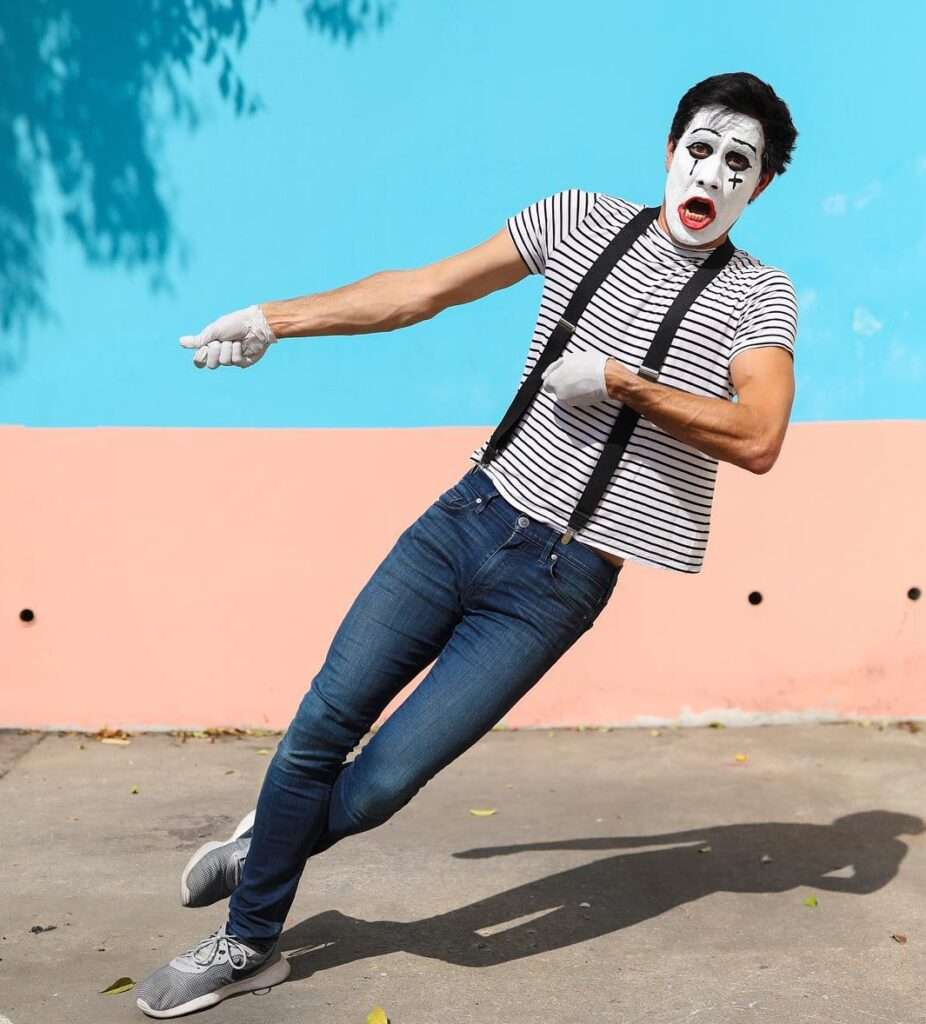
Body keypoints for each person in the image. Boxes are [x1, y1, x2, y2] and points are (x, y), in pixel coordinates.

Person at [136, 70, 799, 1017]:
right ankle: (247, 939)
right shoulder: (576, 219)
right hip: (469, 520)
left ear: (759, 187)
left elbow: (760, 434)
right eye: (700, 148)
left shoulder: (758, 297)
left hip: (562, 582)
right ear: (669, 151)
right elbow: (421, 291)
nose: (713, 171)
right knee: (322, 726)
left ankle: (264, 843)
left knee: (384, 784)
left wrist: (623, 383)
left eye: (740, 162)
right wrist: (273, 320)